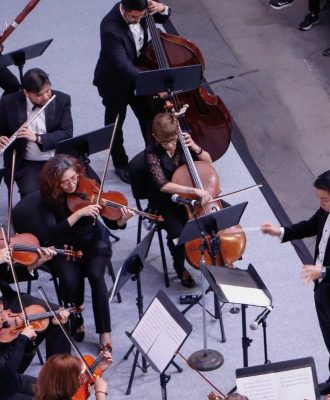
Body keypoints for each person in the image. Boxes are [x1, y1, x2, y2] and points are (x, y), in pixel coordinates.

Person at [260, 170, 330, 400]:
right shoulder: (327, 208)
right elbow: (309, 226)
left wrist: (321, 271)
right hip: (322, 285)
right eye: (318, 198)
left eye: (324, 199)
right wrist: (279, 231)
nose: (320, 203)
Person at [38, 155, 135, 349]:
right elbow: (51, 233)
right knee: (69, 281)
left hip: (94, 241)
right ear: (55, 183)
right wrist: (78, 214)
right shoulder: (48, 198)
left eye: (73, 177)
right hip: (66, 246)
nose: (72, 184)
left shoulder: (87, 182)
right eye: (64, 182)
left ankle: (104, 331)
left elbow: (110, 221)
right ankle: (76, 316)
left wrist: (121, 220)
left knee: (96, 276)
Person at [93, 0, 171, 183]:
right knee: (115, 125)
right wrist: (154, 82)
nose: (138, 20)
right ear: (124, 9)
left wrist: (162, 8)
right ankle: (120, 164)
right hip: (115, 82)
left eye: (141, 16)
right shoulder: (110, 27)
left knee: (150, 118)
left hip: (139, 75)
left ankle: (154, 158)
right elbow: (123, 66)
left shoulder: (142, 9)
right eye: (134, 17)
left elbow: (163, 17)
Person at [143, 112, 214, 288]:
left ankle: (222, 259)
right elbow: (163, 185)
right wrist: (192, 190)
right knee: (179, 233)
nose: (170, 145)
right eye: (165, 142)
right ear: (155, 137)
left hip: (192, 198)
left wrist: (196, 147)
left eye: (173, 140)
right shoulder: (151, 153)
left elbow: (209, 162)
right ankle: (180, 265)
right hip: (166, 202)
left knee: (219, 218)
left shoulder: (183, 143)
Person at [0, 249, 71, 400]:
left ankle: (59, 377)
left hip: (5, 302)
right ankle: (13, 366)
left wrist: (34, 264)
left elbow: (5, 276)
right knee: (14, 339)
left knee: (57, 315)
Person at [0, 68, 72, 198]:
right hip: (28, 164)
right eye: (39, 95)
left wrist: (37, 138)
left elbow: (66, 134)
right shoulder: (8, 103)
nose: (46, 96)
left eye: (47, 91)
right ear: (26, 93)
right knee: (33, 197)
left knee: (80, 186)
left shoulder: (62, 99)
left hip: (58, 158)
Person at [34, 353, 111, 400]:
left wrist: (100, 368)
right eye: (79, 374)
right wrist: (100, 393)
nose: (82, 377)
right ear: (68, 386)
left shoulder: (46, 390)